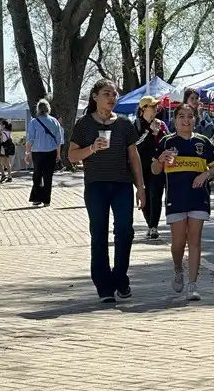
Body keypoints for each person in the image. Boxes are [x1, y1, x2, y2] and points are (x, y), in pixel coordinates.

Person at [69, 79, 146, 303]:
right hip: (96, 185)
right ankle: (104, 286)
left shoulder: (124, 124)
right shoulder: (84, 124)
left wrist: (140, 187)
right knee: (99, 234)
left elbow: (134, 157)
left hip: (121, 184)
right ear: (95, 97)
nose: (112, 98)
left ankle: (120, 277)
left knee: (124, 230)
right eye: (107, 94)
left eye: (114, 94)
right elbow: (72, 156)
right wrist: (91, 148)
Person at [152, 104, 214, 301]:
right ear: (175, 120)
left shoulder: (203, 142)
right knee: (178, 243)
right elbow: (155, 170)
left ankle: (193, 285)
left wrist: (206, 174)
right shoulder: (166, 142)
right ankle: (178, 268)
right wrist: (161, 160)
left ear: (195, 120)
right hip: (176, 198)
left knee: (195, 240)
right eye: (182, 116)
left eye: (190, 116)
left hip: (198, 198)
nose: (186, 120)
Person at [134, 95, 168, 239]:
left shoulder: (161, 124)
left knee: (156, 194)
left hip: (158, 166)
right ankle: (150, 224)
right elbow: (135, 145)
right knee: (145, 196)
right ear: (143, 109)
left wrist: (160, 132)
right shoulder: (135, 125)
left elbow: (168, 140)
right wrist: (149, 133)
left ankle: (154, 226)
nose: (155, 109)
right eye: (152, 106)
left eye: (156, 107)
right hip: (141, 167)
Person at [25, 99, 64, 207]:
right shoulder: (55, 121)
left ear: (38, 109)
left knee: (37, 175)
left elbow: (30, 139)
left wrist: (27, 153)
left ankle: (36, 198)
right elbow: (58, 141)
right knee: (48, 176)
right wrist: (58, 154)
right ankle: (47, 200)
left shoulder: (34, 122)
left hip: (37, 152)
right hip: (51, 151)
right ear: (48, 109)